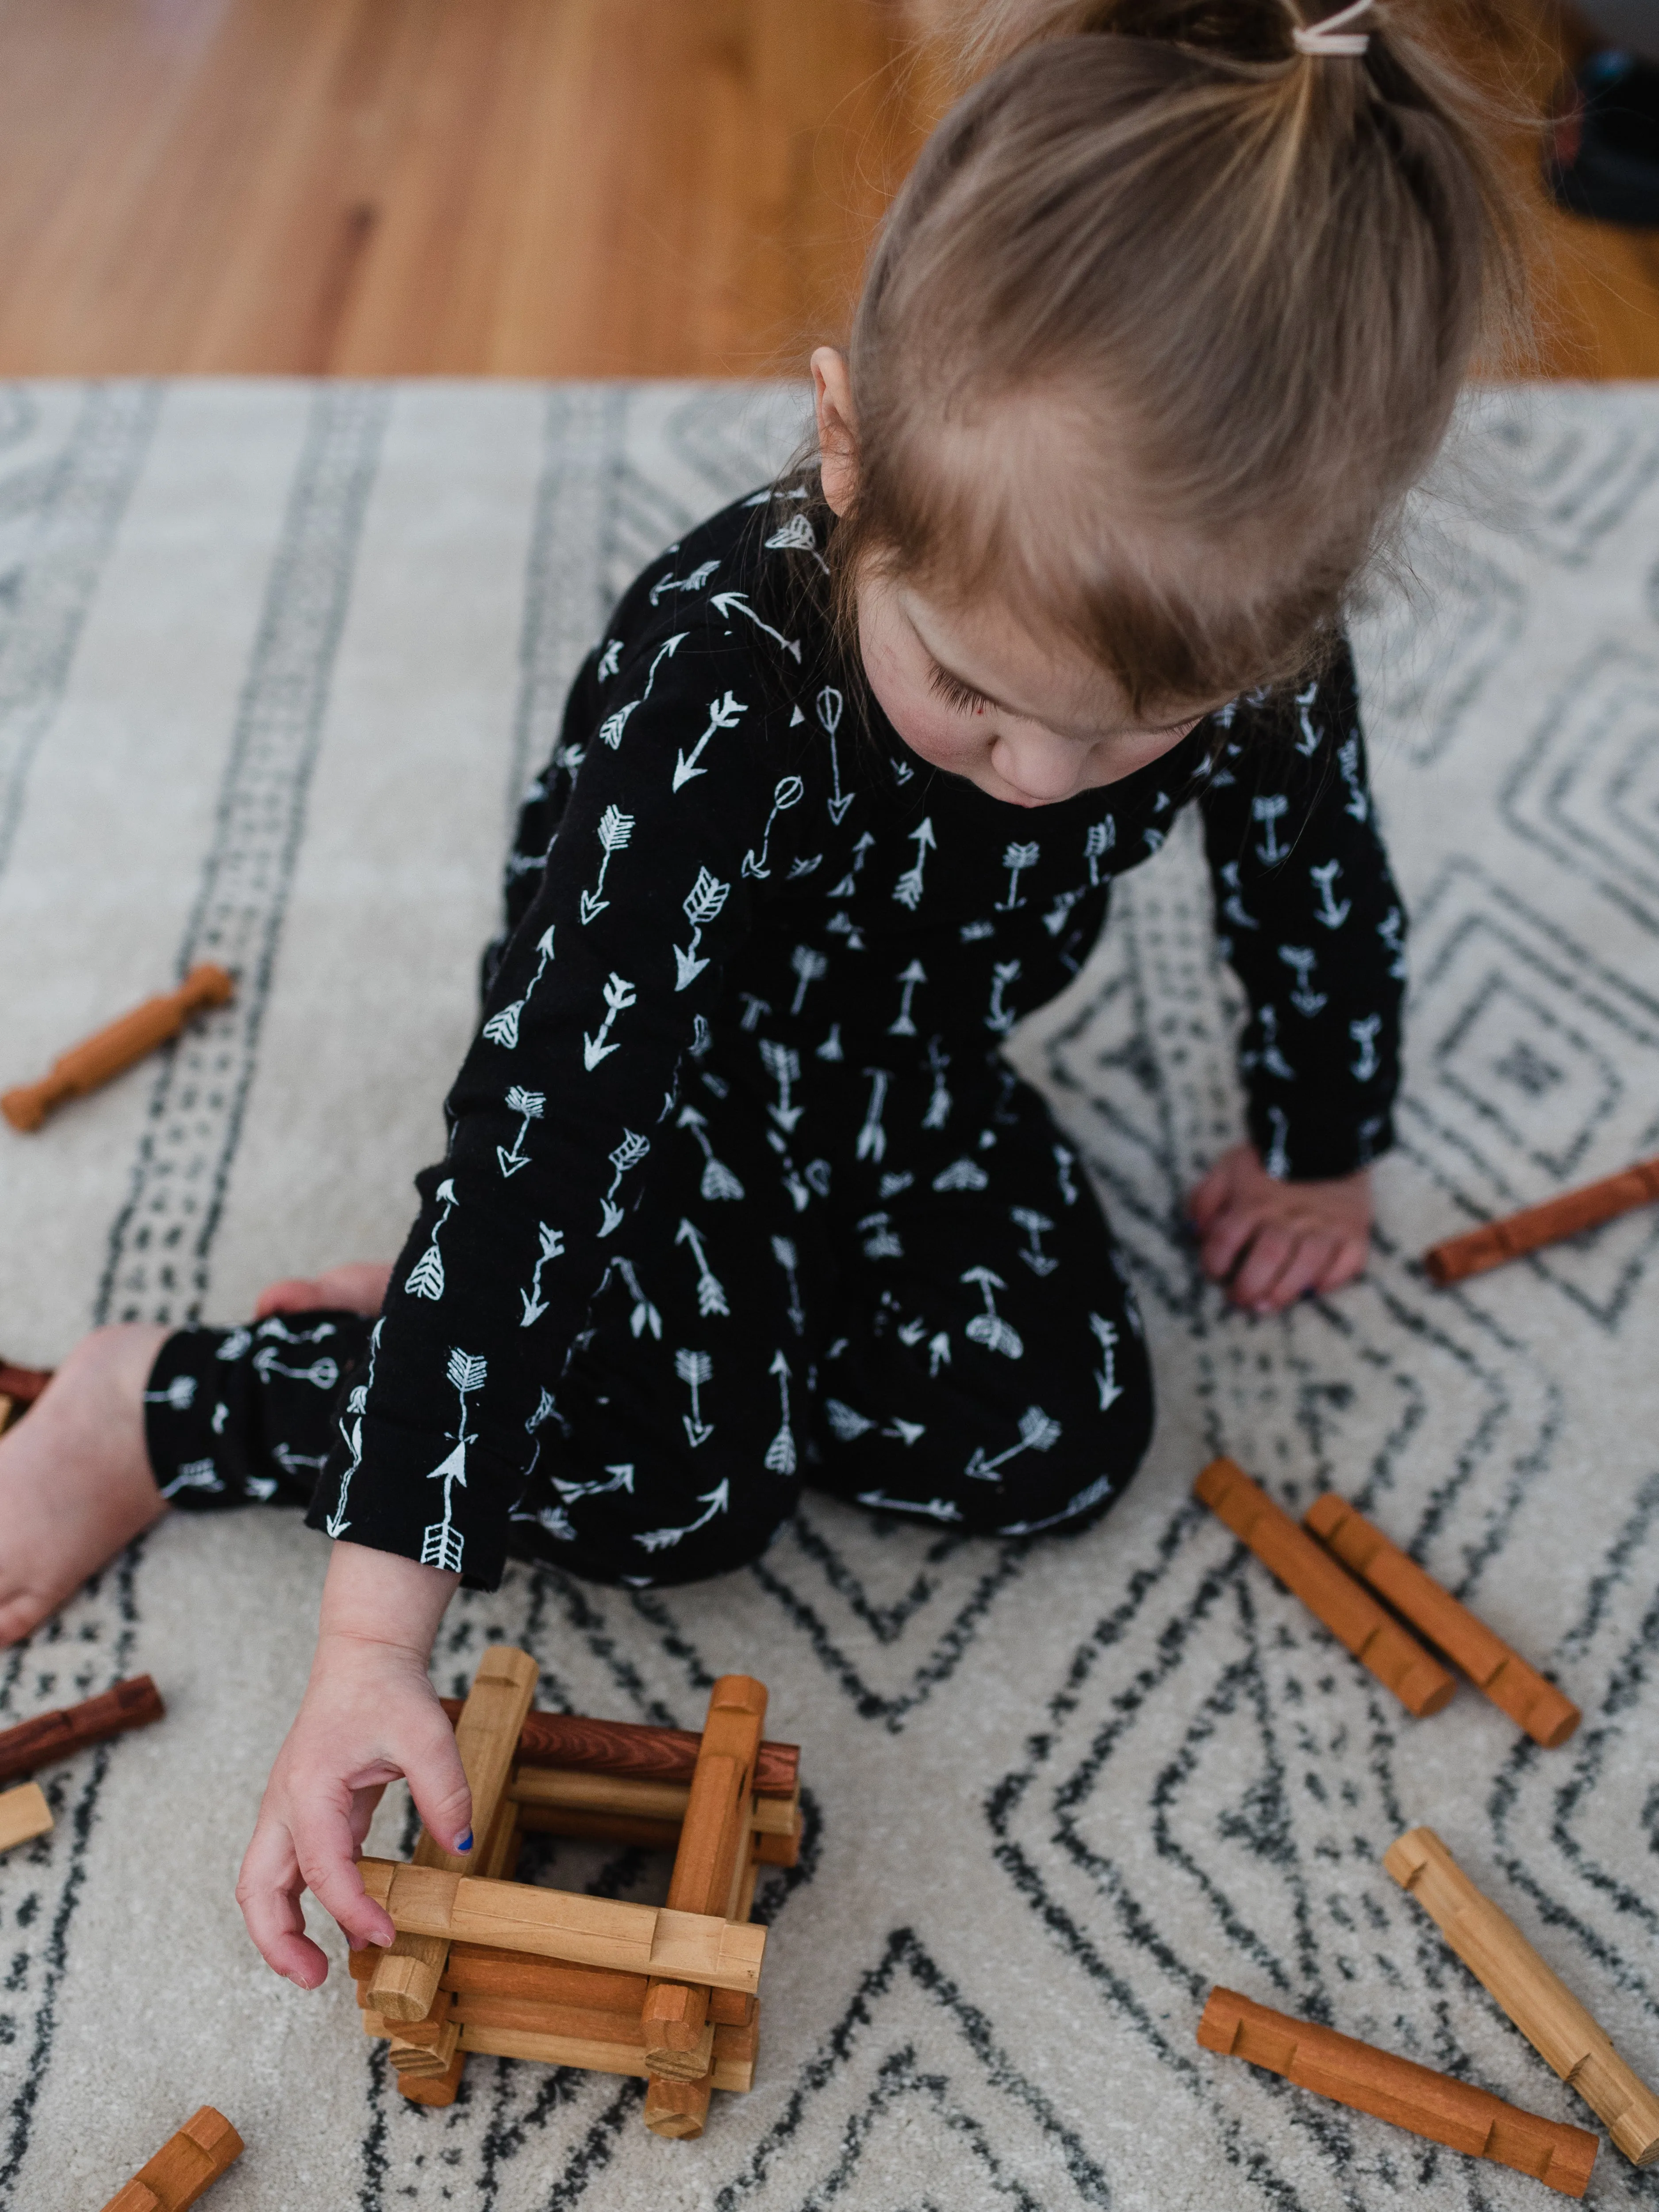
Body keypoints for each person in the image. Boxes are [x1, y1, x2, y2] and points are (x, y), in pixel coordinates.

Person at [0, 0, 1517, 1988]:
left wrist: (1324, 1145)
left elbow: (1318, 888)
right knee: (682, 1477)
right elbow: (551, 1118)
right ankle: (172, 1396)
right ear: (846, 452)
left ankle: (539, 1349)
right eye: (971, 692)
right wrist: (376, 1638)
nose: (1043, 777)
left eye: (1136, 727)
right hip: (657, 1080)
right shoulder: (731, 684)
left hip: (908, 1081)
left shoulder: (1257, 645)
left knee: (1068, 1432)